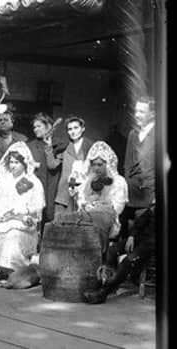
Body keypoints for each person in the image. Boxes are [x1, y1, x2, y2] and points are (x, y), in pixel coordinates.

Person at [0, 142, 45, 282]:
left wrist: (22, 212)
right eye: (11, 162)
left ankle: (9, 267)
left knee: (13, 233)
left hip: (24, 219)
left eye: (16, 162)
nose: (13, 165)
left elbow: (37, 205)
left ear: (24, 163)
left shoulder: (33, 181)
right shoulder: (4, 181)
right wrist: (1, 212)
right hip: (4, 217)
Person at [82, 202, 154, 304]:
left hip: (151, 245)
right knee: (112, 251)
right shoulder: (152, 209)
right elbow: (140, 222)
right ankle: (103, 284)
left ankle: (103, 293)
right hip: (139, 239)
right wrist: (131, 236)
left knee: (127, 262)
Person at [72, 141, 128, 252]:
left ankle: (96, 255)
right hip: (88, 215)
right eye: (93, 164)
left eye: (99, 164)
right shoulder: (89, 180)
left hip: (108, 217)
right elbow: (82, 199)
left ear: (107, 164)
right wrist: (86, 204)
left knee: (96, 221)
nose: (96, 168)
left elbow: (117, 207)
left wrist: (99, 205)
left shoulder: (118, 181)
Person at [122, 96, 155, 238]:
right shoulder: (133, 134)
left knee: (143, 238)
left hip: (149, 195)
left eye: (142, 112)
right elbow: (127, 164)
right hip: (130, 196)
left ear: (152, 114)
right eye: (136, 111)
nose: (137, 115)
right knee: (128, 237)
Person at [26, 113, 65, 225]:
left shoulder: (60, 145)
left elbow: (53, 166)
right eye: (34, 127)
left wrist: (49, 148)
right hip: (36, 187)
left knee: (50, 216)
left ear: (48, 126)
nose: (35, 129)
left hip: (53, 186)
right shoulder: (30, 146)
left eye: (39, 126)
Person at [53, 116, 94, 216]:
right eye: (70, 129)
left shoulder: (90, 146)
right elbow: (52, 164)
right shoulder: (63, 147)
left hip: (83, 192)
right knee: (61, 223)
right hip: (64, 192)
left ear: (83, 129)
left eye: (76, 128)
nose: (73, 132)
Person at [0, 109, 28, 190]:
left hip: (17, 182)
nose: (2, 122)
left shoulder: (22, 139)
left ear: (12, 122)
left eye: (5, 120)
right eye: (0, 120)